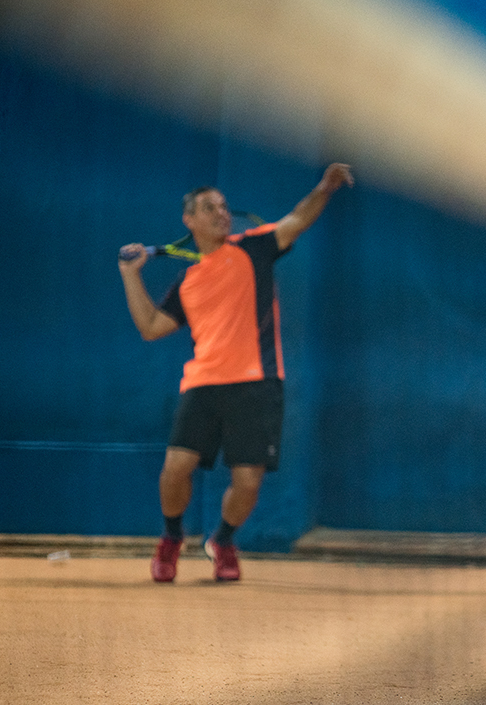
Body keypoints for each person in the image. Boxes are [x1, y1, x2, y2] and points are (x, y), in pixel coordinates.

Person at [118, 163, 354, 582]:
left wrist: (325, 188)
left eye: (225, 207)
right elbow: (151, 327)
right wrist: (129, 276)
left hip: (256, 383)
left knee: (247, 482)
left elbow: (297, 220)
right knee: (175, 468)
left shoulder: (255, 247)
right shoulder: (187, 280)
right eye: (210, 208)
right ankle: (171, 538)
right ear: (189, 220)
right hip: (203, 384)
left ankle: (223, 541)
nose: (222, 213)